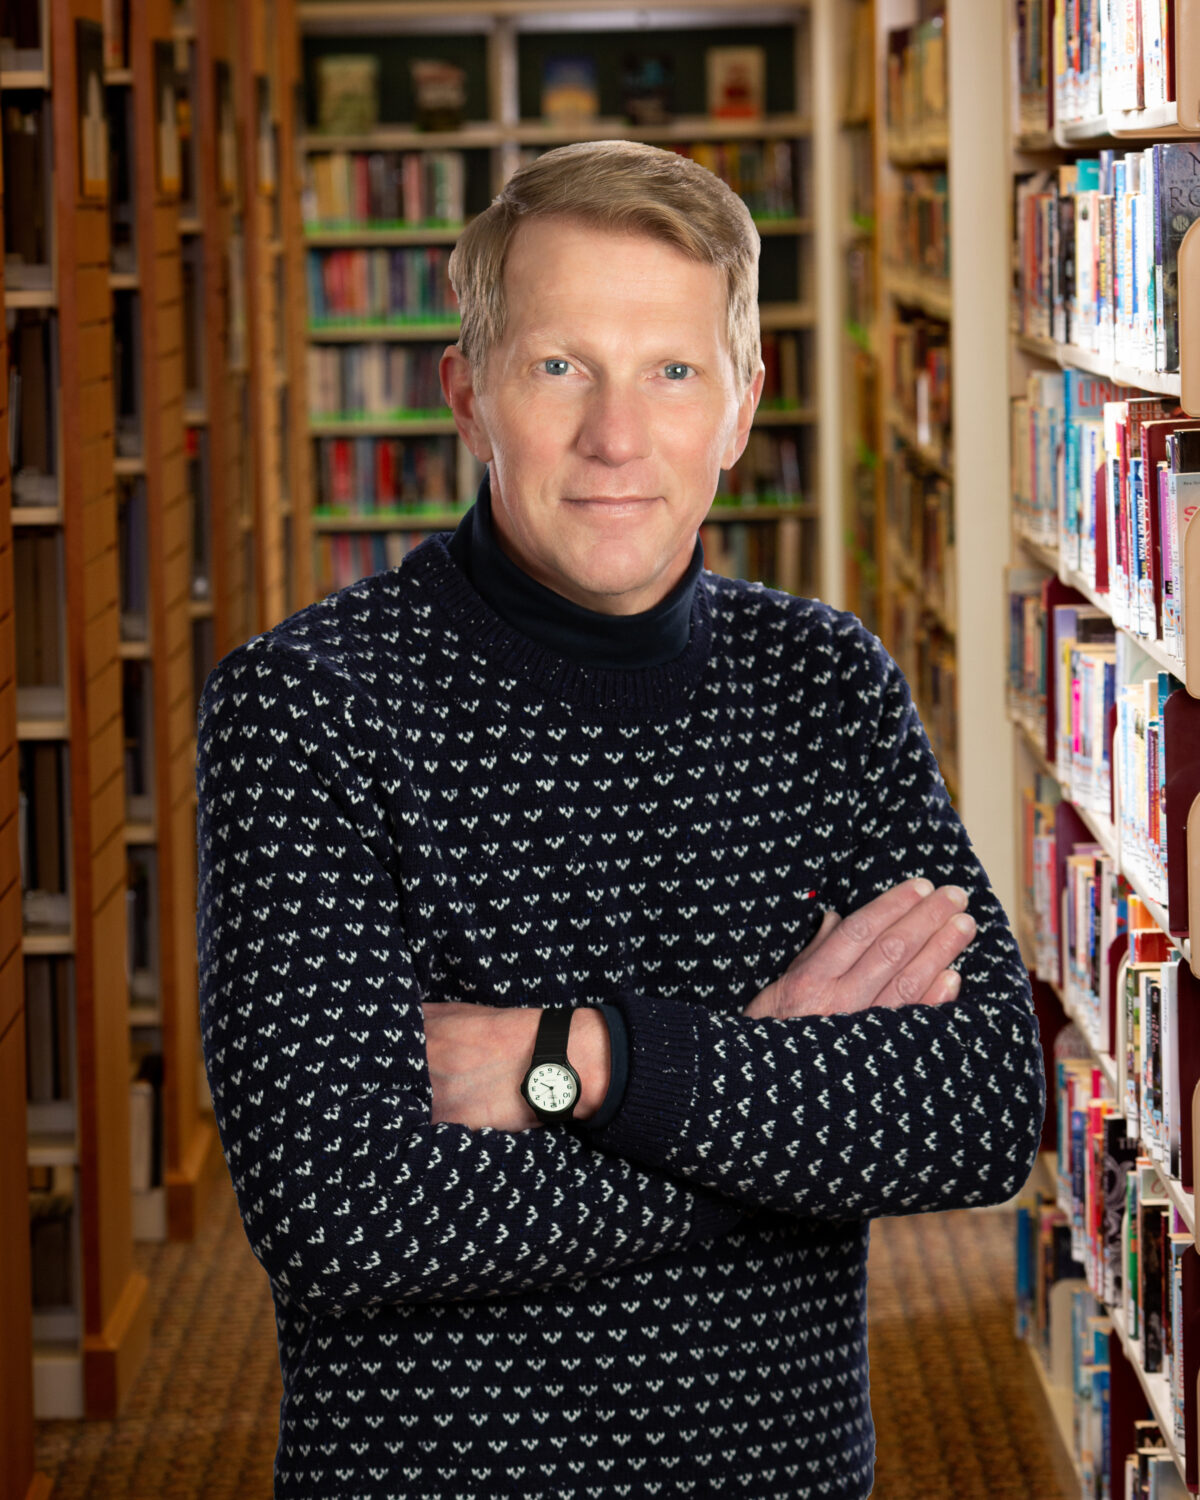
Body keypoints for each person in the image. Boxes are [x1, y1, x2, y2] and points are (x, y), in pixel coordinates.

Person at [197, 139, 1044, 1500]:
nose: (616, 437)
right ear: (468, 395)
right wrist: (773, 1090)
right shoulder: (308, 710)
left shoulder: (826, 684)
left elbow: (984, 1105)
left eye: (670, 371)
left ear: (742, 402)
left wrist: (585, 1064)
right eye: (558, 367)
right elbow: (345, 1216)